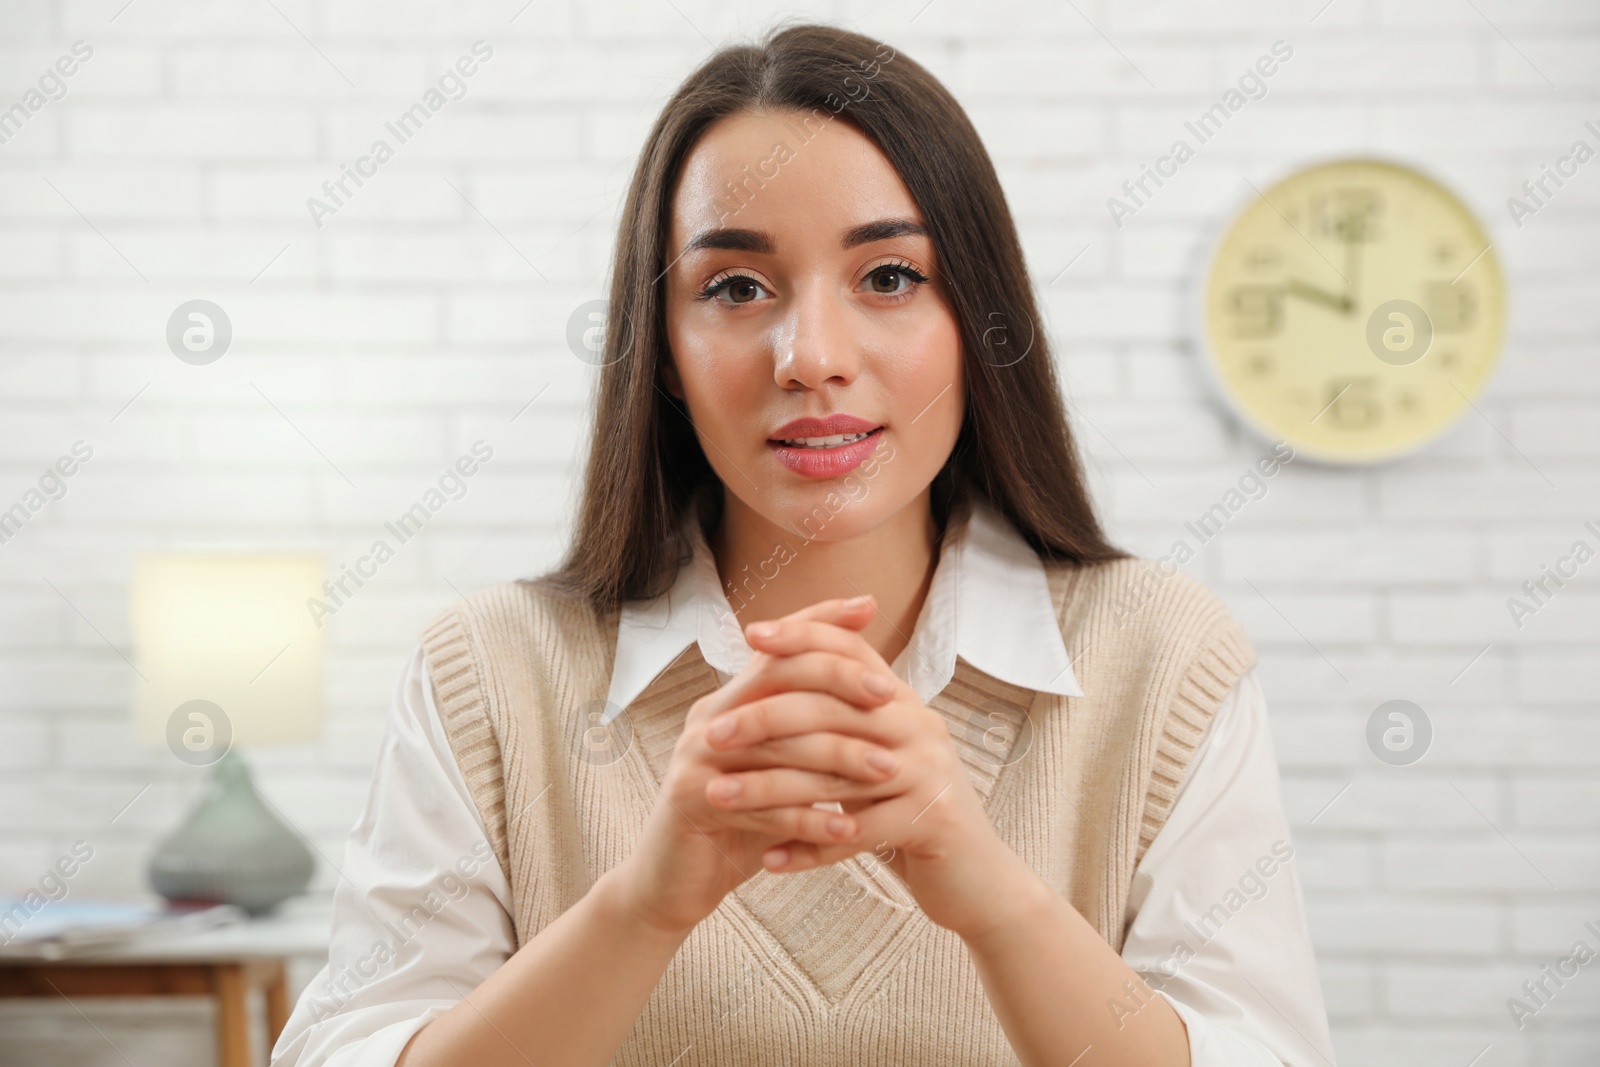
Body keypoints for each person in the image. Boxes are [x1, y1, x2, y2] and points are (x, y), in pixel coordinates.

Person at [273, 21, 1336, 1067]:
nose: (812, 357)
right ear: (667, 353)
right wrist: (641, 907)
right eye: (735, 288)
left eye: (887, 277)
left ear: (979, 317)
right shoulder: (488, 672)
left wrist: (992, 892)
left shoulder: (1161, 658)